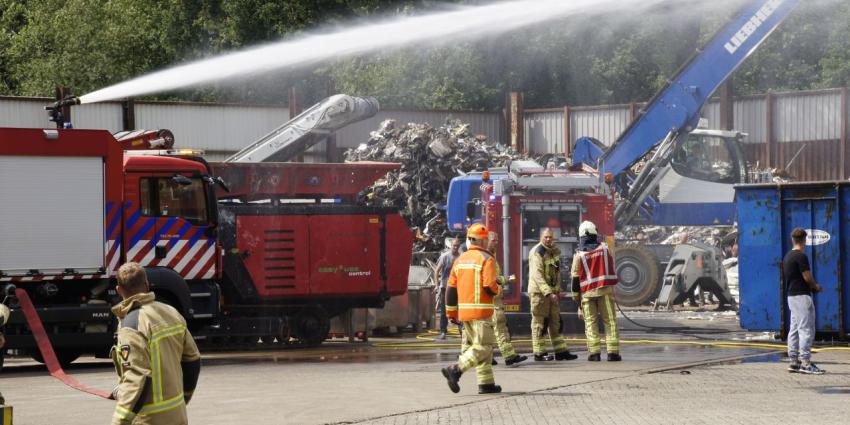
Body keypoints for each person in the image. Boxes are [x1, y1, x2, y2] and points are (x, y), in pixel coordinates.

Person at [110, 262, 201, 424]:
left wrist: (119, 421)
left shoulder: (132, 324)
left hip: (149, 419)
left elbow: (138, 378)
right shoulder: (171, 312)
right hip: (177, 414)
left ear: (119, 290)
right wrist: (183, 398)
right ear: (147, 285)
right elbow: (192, 359)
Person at [441, 223, 502, 394]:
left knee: (480, 349)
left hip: (465, 313)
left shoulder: (460, 260)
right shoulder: (487, 258)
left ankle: (486, 384)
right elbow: (490, 286)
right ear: (483, 241)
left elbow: (451, 289)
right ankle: (456, 369)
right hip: (482, 312)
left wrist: (451, 313)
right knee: (483, 347)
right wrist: (499, 288)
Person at [571, 221, 621, 361]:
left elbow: (575, 280)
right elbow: (610, 268)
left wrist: (577, 299)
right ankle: (613, 353)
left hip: (586, 294)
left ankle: (594, 354)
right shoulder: (605, 249)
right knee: (610, 321)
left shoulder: (578, 255)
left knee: (590, 323)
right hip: (604, 292)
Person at [528, 228, 577, 361]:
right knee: (539, 323)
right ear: (541, 238)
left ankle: (560, 351)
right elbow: (537, 276)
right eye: (546, 237)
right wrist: (549, 293)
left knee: (555, 323)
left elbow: (555, 273)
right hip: (540, 294)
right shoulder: (537, 252)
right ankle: (539, 353)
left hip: (551, 294)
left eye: (550, 237)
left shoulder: (553, 251)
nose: (548, 239)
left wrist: (557, 290)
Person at [783, 228, 824, 374]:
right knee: (806, 329)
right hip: (802, 296)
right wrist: (815, 286)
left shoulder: (787, 257)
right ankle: (806, 363)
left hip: (791, 296)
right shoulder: (801, 257)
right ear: (804, 240)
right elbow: (807, 276)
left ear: (792, 240)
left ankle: (793, 361)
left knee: (794, 329)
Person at [486, 231, 528, 367]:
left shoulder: (490, 256)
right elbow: (492, 280)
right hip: (493, 300)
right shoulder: (487, 258)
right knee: (500, 328)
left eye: (497, 240)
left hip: (493, 298)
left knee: (491, 330)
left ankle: (488, 357)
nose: (496, 243)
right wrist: (507, 280)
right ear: (486, 240)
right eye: (494, 240)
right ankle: (509, 356)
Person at [434, 237, 462, 339]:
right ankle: (443, 331)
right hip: (445, 287)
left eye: (457, 246)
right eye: (454, 246)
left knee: (459, 310)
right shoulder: (444, 257)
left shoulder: (461, 257)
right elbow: (436, 271)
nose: (455, 248)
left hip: (457, 288)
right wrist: (437, 285)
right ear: (451, 246)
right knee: (444, 311)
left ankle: (461, 330)